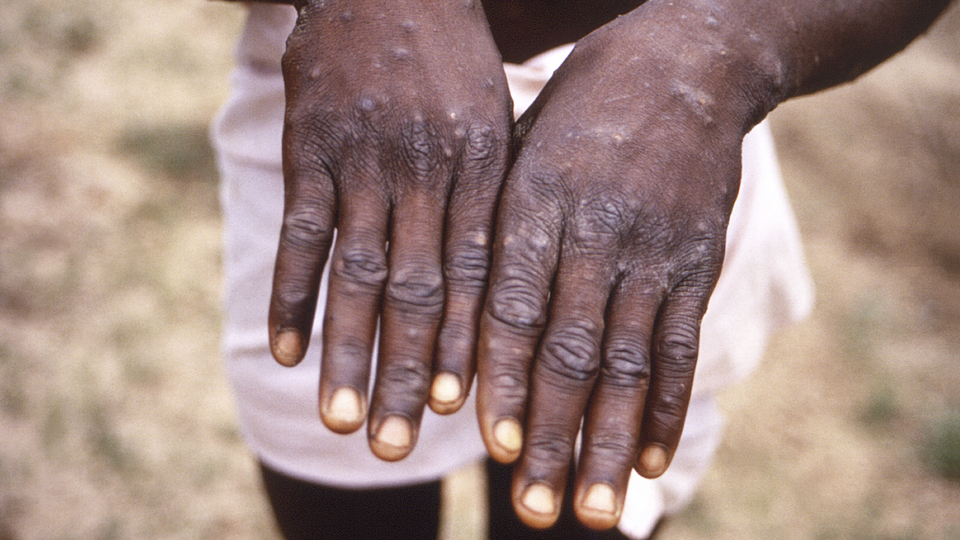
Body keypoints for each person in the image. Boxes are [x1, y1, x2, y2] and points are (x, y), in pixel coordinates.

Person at [210, 0, 952, 538]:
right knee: (341, 488)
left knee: (581, 499)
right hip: (358, 135)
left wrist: (718, 48)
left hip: (654, 154)